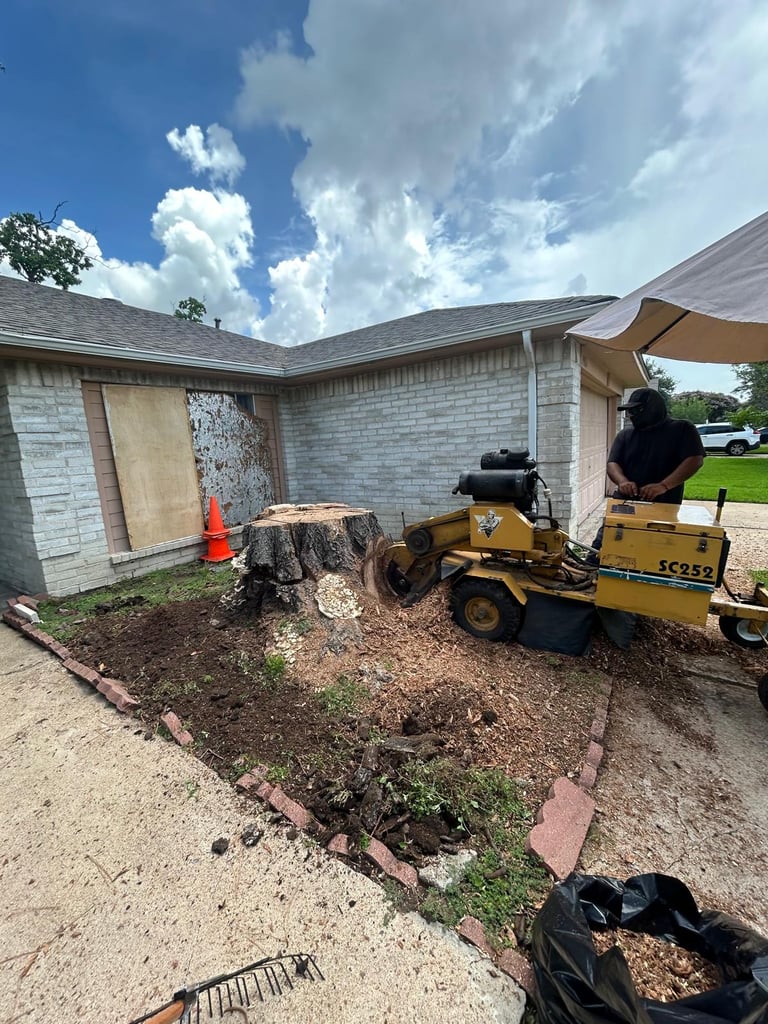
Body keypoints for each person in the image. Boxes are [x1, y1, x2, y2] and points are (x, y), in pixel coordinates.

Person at [588, 387, 705, 559]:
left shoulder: (682, 429)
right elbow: (613, 463)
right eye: (630, 411)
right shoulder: (625, 435)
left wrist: (664, 486)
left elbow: (695, 460)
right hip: (625, 504)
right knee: (603, 547)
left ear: (654, 408)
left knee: (652, 553)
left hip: (664, 505)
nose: (632, 415)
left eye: (637, 410)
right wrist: (622, 482)